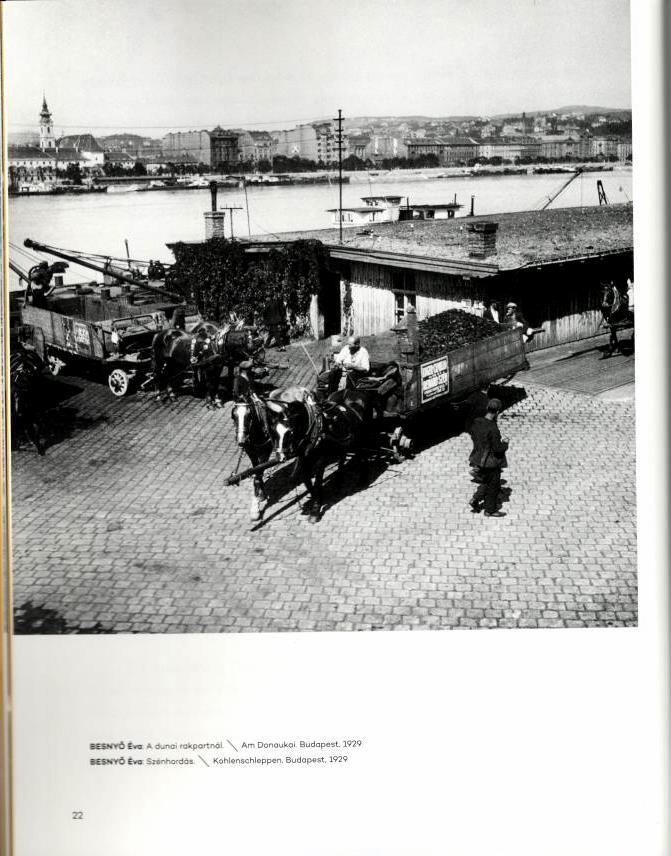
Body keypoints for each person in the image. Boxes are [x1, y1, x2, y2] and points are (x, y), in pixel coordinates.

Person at [468, 398, 509, 518]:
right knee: (494, 485)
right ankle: (490, 510)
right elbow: (497, 449)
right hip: (490, 462)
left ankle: (475, 499)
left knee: (486, 481)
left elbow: (473, 435)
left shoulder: (477, 422)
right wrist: (505, 443)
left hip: (477, 457)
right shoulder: (493, 429)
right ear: (497, 412)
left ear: (487, 408)